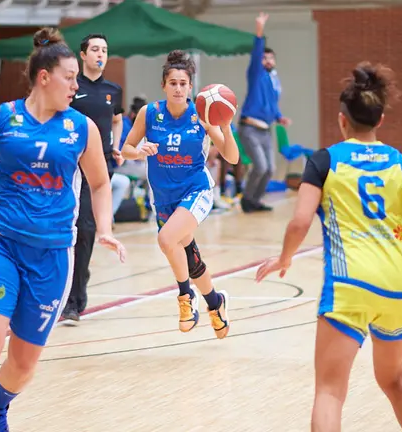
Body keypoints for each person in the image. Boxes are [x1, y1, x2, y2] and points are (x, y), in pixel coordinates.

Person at [0, 28, 126, 432]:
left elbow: (100, 183)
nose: (75, 85)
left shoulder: (82, 128)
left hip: (52, 253)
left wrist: (104, 228)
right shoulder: (0, 118)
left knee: (23, 363)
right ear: (44, 77)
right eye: (69, 77)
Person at [255, 62, 402, 431]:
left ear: (342, 120)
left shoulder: (324, 161)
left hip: (351, 282)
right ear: (380, 119)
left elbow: (300, 221)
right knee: (395, 379)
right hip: (401, 284)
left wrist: (285, 258)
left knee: (330, 391)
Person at [121, 50, 238, 338]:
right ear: (164, 85)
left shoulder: (201, 116)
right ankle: (215, 302)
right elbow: (125, 150)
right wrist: (139, 151)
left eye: (183, 83)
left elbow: (232, 157)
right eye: (172, 83)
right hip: (163, 197)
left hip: (195, 191)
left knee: (165, 239)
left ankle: (186, 298)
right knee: (189, 256)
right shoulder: (149, 113)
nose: (178, 88)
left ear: (190, 87)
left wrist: (225, 126)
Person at [63, 33, 124, 321]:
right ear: (83, 55)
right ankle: (61, 287)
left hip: (100, 166)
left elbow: (117, 118)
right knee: (68, 228)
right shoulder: (73, 87)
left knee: (86, 228)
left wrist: (117, 146)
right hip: (70, 164)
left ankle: (75, 298)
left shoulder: (114, 89)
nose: (101, 54)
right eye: (95, 49)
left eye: (105, 49)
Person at [238, 12, 291, 213]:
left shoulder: (274, 82)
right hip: (250, 128)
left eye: (271, 58)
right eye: (264, 58)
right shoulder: (256, 74)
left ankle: (255, 201)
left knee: (270, 169)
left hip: (266, 130)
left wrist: (280, 117)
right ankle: (246, 199)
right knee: (260, 166)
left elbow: (273, 104)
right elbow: (257, 50)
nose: (268, 60)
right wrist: (259, 30)